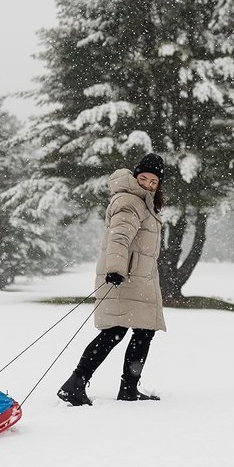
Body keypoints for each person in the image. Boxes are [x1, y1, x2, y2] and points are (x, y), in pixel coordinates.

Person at [57, 153, 166, 406]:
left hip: (138, 281)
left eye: (154, 181)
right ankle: (79, 383)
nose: (149, 184)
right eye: (144, 178)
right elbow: (119, 237)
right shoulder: (130, 201)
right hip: (126, 279)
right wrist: (116, 268)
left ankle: (124, 387)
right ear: (135, 177)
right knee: (116, 332)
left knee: (139, 332)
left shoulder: (144, 203)